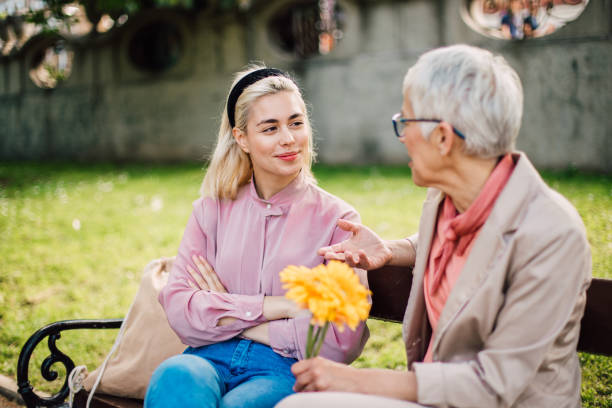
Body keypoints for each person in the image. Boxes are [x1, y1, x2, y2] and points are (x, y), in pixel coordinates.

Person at [277, 45, 591, 408]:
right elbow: (459, 245)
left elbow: (493, 385)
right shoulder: (446, 197)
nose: (402, 136)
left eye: (406, 122)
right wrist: (393, 250)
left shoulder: (552, 234)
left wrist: (354, 381)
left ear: (443, 137)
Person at [144, 66, 369, 408]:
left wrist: (231, 315)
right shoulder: (211, 211)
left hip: (286, 370)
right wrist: (278, 307)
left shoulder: (338, 220)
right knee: (175, 376)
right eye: (270, 128)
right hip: (206, 358)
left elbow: (341, 339)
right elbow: (180, 311)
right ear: (242, 138)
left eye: (296, 123)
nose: (288, 138)